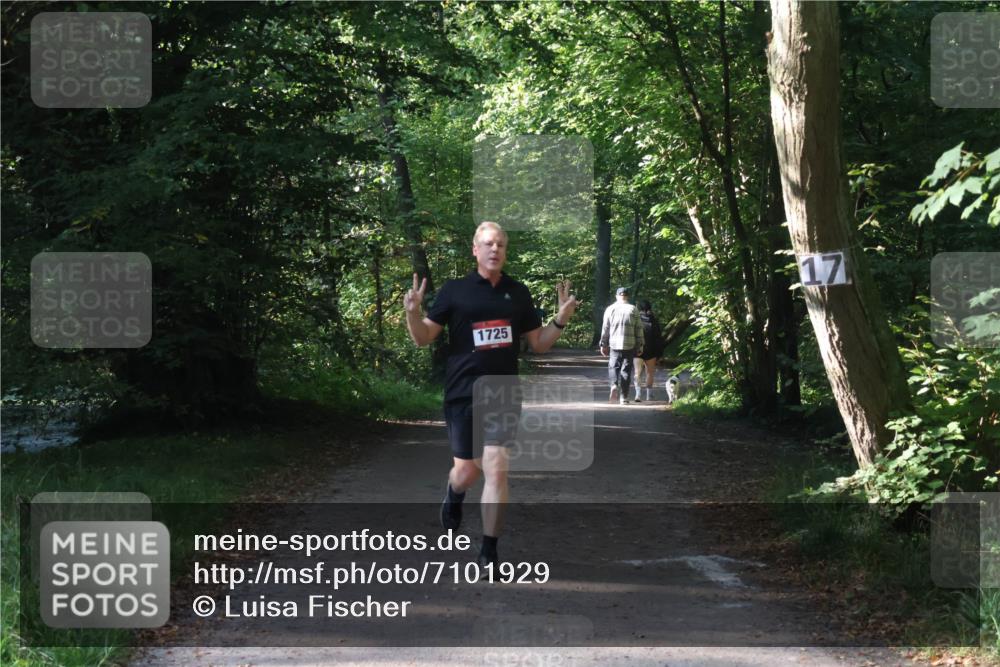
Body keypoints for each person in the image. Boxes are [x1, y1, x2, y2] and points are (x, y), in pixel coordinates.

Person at [403, 221, 580, 569]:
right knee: (467, 473)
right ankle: (454, 493)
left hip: (502, 392)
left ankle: (489, 551)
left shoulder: (519, 292)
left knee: (497, 468)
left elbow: (539, 344)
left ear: (506, 250)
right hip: (462, 393)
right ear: (475, 249)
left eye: (500, 244)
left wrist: (560, 319)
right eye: (488, 244)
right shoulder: (455, 291)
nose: (494, 249)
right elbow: (423, 338)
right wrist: (412, 314)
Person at [599, 286, 644, 405]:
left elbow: (605, 328)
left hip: (614, 344)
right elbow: (639, 328)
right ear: (627, 297)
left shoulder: (610, 309)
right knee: (626, 370)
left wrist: (603, 343)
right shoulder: (633, 309)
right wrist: (640, 345)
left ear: (617, 296)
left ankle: (614, 385)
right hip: (629, 345)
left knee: (613, 366)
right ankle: (624, 397)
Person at [633, 300, 664, 402]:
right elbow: (659, 339)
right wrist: (660, 354)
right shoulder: (654, 321)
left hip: (638, 350)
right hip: (651, 351)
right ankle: (649, 395)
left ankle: (637, 394)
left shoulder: (635, 320)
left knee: (637, 372)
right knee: (650, 373)